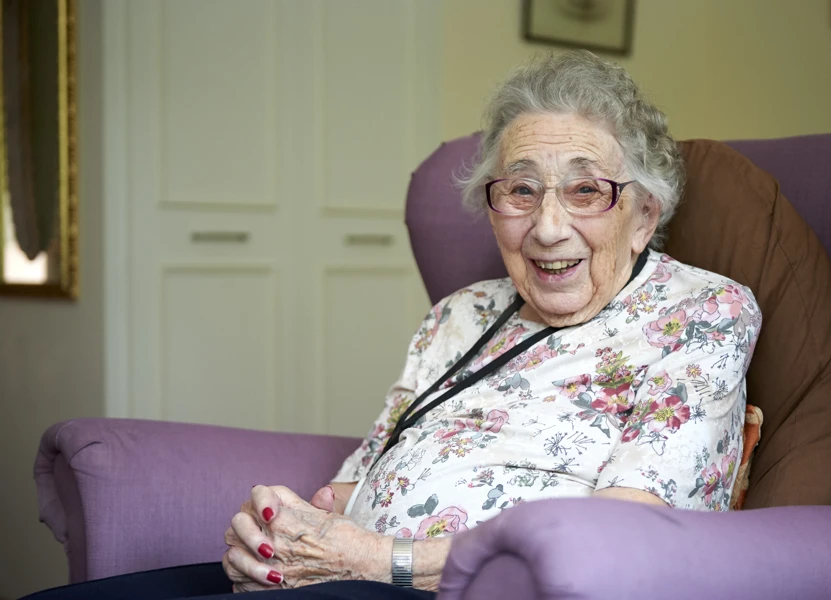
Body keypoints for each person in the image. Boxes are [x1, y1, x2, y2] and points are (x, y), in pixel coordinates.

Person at [24, 50, 760, 600]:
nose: (548, 227)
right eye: (521, 191)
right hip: (348, 579)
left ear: (644, 217)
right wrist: (283, 527)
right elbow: (351, 490)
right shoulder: (459, 314)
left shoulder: (698, 314)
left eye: (586, 191)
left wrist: (379, 561)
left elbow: (625, 534)